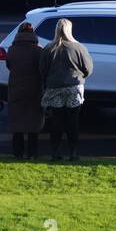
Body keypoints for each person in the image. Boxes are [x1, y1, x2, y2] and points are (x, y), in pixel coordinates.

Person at [39, 18, 94, 161]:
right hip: (73, 87)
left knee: (56, 121)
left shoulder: (49, 48)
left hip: (54, 87)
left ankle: (55, 151)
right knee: (72, 120)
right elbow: (88, 69)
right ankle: (73, 151)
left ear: (56, 30)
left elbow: (42, 70)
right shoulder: (79, 48)